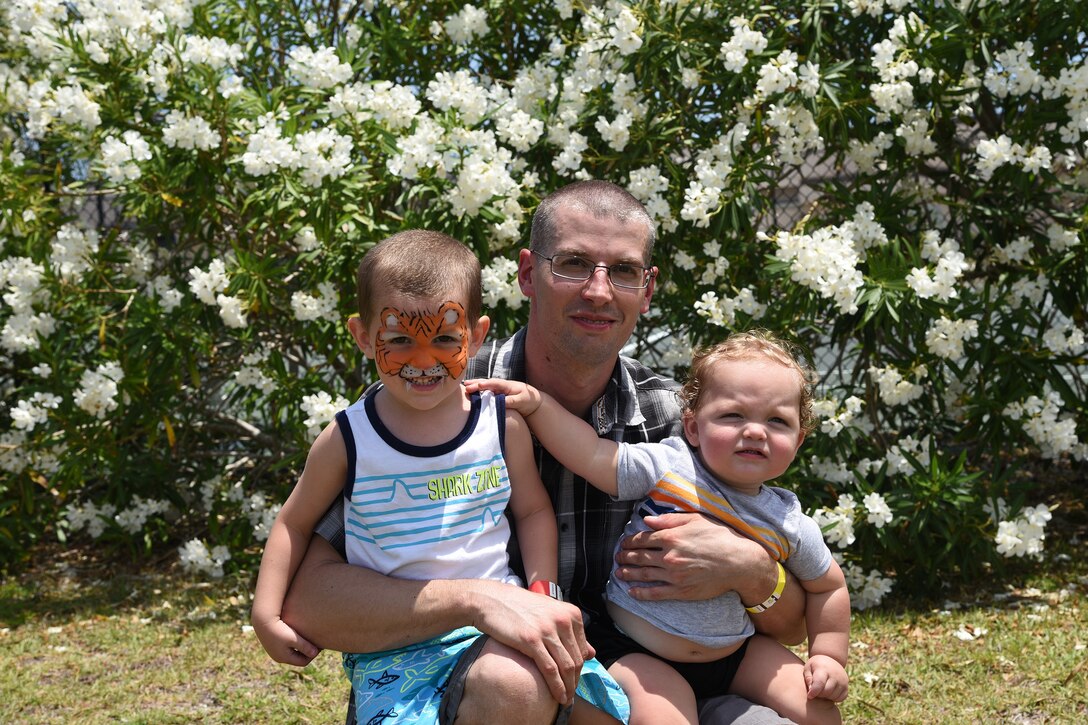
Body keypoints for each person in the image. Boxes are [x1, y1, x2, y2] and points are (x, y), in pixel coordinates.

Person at [278, 181, 808, 724]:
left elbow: (793, 625)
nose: (599, 292)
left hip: (658, 687)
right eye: (574, 264)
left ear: (646, 290)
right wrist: (478, 600)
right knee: (514, 684)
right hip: (481, 690)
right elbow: (310, 601)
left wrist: (753, 571)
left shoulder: (684, 423)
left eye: (622, 271)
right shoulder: (432, 402)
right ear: (528, 273)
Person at [250, 230, 629, 724]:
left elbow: (534, 512)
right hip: (396, 645)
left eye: (445, 338)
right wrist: (265, 613)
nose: (423, 361)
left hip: (501, 623)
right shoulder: (348, 438)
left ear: (476, 335)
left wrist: (543, 591)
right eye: (400, 340)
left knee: (597, 710)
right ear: (364, 337)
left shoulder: (501, 424)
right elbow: (293, 524)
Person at [467, 330, 850, 724]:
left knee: (821, 714)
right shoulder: (670, 467)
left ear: (798, 440)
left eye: (777, 421)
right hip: (639, 646)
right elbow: (593, 453)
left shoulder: (788, 520)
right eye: (733, 415)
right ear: (693, 428)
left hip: (735, 650)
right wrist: (538, 405)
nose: (755, 431)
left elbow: (829, 586)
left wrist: (828, 655)